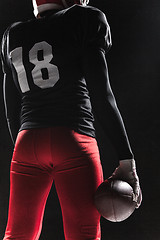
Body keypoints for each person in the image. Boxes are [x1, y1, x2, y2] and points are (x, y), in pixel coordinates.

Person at [1, 0, 142, 239]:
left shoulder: (12, 34)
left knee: (18, 234)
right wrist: (127, 160)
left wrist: (26, 154)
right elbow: (102, 97)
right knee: (84, 234)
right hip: (74, 139)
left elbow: (11, 110)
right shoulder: (82, 19)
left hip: (26, 142)